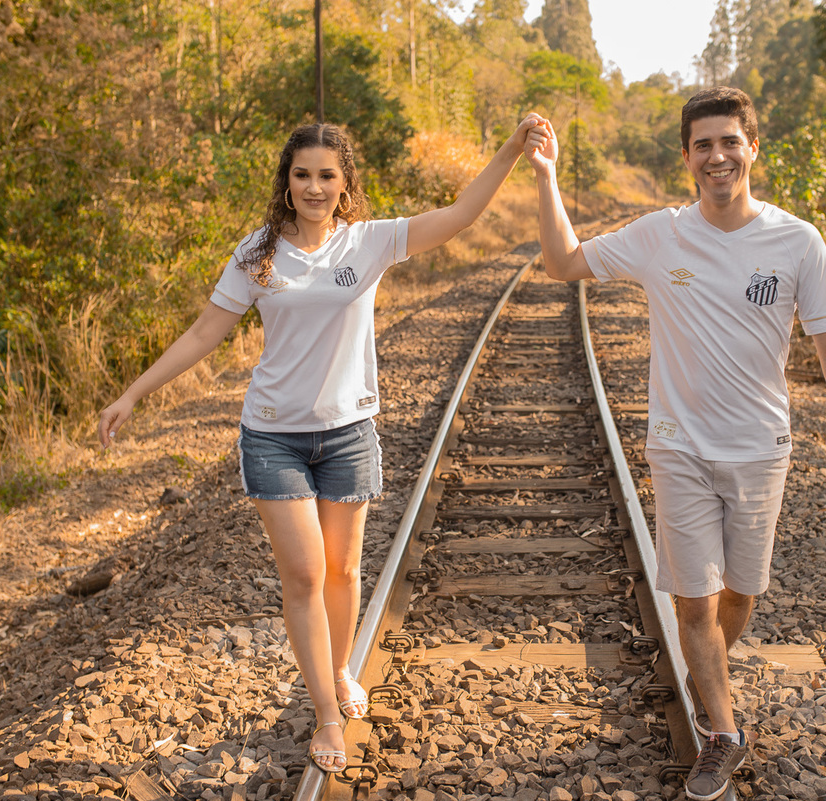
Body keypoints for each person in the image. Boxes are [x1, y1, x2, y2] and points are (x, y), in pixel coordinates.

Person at [99, 114, 547, 774]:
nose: (313, 186)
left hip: (347, 433)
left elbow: (458, 214)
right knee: (305, 574)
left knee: (343, 571)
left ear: (344, 183)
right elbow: (203, 334)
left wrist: (510, 149)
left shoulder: (367, 243)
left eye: (326, 176)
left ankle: (339, 668)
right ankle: (327, 714)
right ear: (287, 181)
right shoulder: (258, 253)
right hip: (274, 435)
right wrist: (133, 392)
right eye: (301, 174)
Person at [525, 87, 826, 800]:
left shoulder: (796, 240)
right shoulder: (662, 233)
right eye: (703, 145)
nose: (717, 156)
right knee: (694, 604)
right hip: (679, 446)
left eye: (730, 141)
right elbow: (562, 262)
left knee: (741, 593)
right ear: (687, 157)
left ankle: (707, 671)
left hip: (761, 448)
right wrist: (546, 177)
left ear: (753, 148)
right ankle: (722, 731)